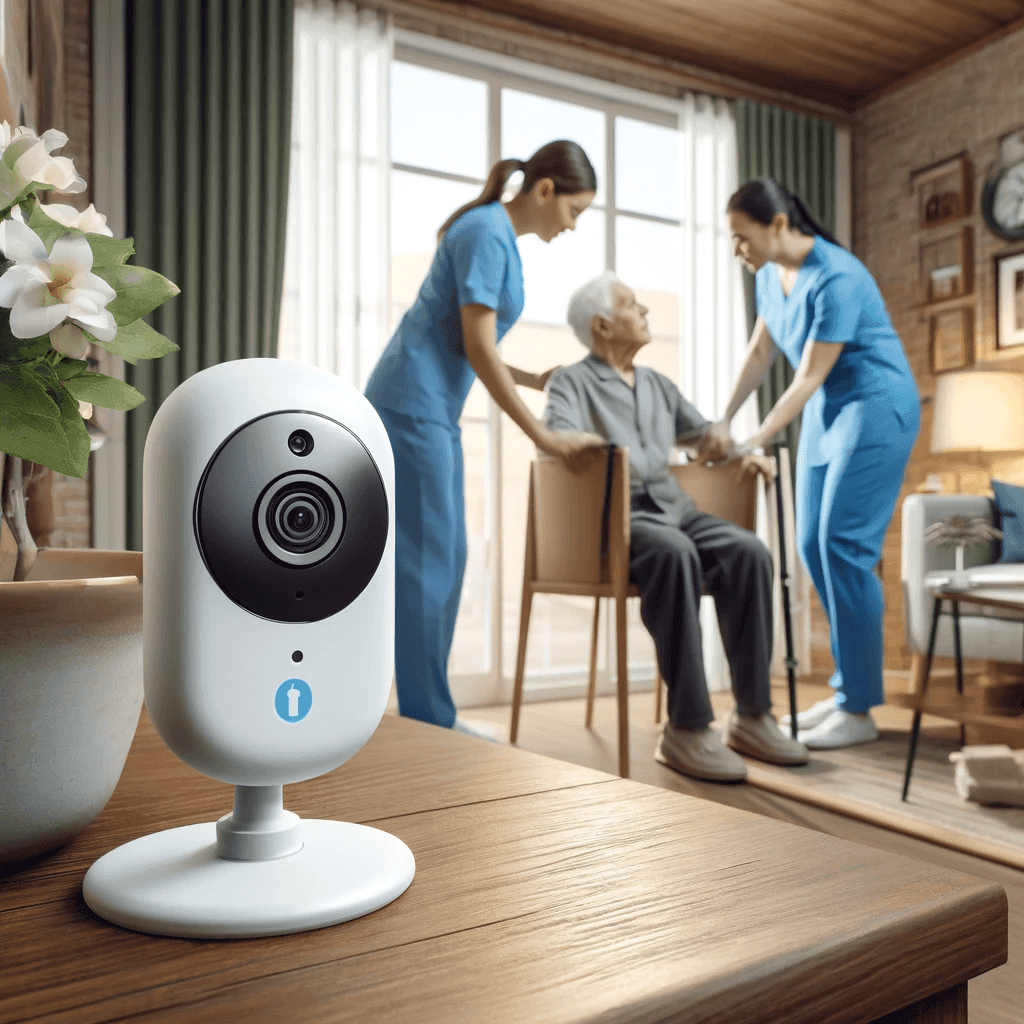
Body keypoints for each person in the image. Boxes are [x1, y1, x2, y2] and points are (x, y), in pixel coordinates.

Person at [363, 140, 608, 738]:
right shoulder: (485, 231)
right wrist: (544, 436)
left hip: (431, 408)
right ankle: (427, 718)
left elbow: (476, 341)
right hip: (410, 405)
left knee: (448, 557)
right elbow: (475, 345)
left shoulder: (497, 235)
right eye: (575, 212)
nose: (573, 228)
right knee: (428, 562)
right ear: (546, 190)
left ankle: (429, 713)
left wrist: (532, 376)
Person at [544, 270, 810, 783]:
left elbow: (704, 436)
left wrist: (743, 452)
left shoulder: (658, 384)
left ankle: (753, 716)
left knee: (749, 551)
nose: (644, 312)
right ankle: (686, 728)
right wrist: (591, 445)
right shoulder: (572, 382)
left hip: (674, 505)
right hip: (615, 515)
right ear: (602, 325)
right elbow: (558, 438)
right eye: (631, 305)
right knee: (673, 552)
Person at [704, 177, 921, 749]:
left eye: (740, 237)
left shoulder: (839, 276)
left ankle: (859, 708)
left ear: (777, 226)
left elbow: (808, 376)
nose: (736, 250)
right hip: (826, 415)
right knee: (809, 546)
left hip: (874, 406)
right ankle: (851, 693)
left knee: (844, 547)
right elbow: (760, 352)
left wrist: (755, 439)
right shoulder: (770, 278)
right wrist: (725, 419)